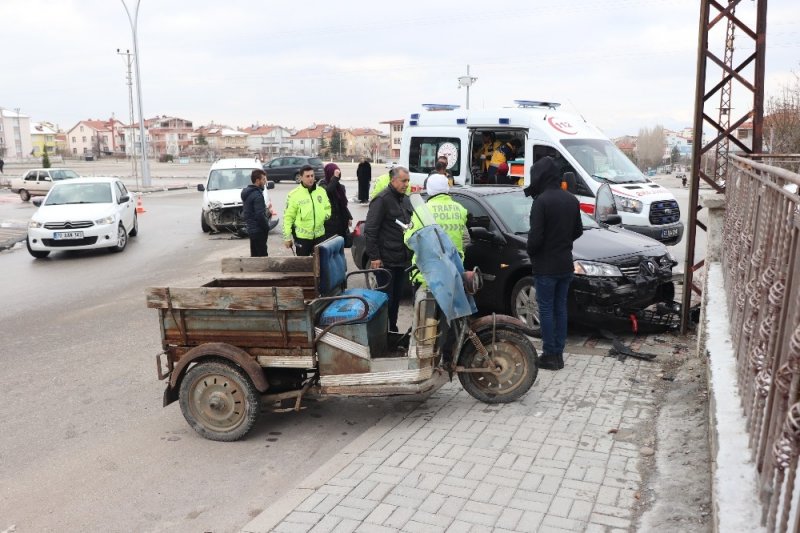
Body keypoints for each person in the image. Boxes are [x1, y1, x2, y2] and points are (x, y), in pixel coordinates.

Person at [526, 156, 583, 370]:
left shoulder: (541, 201)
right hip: (565, 263)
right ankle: (558, 353)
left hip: (545, 266)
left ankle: (549, 355)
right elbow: (578, 230)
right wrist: (563, 242)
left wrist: (532, 251)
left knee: (547, 310)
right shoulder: (571, 200)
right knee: (561, 309)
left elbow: (535, 238)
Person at [365, 166, 413, 332]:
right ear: (393, 180)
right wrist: (375, 257)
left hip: (401, 259)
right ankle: (382, 332)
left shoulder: (405, 200)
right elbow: (370, 230)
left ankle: (392, 328)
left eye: (408, 180)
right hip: (386, 261)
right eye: (403, 181)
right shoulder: (382, 199)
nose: (406, 184)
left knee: (397, 299)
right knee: (386, 299)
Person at [407, 173, 468, 286]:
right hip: (453, 270)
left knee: (424, 302)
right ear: (447, 188)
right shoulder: (460, 209)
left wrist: (406, 232)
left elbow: (409, 241)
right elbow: (465, 239)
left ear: (429, 189)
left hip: (427, 274)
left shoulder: (422, 210)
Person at [283, 164, 331, 256]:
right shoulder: (294, 195)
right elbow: (288, 218)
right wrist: (287, 237)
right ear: (301, 177)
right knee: (303, 267)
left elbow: (327, 207)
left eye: (312, 176)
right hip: (302, 238)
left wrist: (324, 216)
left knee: (320, 266)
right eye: (307, 176)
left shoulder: (321, 191)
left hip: (320, 236)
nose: (311, 178)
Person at [320, 163, 353, 243]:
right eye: (334, 174)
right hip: (329, 224)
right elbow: (329, 191)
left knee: (340, 247)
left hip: (340, 222)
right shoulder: (322, 185)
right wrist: (334, 178)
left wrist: (349, 217)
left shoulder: (340, 187)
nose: (337, 176)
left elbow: (342, 205)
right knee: (330, 247)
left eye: (338, 174)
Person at [241, 169, 271, 257]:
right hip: (259, 231)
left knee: (254, 257)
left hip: (252, 229)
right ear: (258, 181)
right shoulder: (257, 195)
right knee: (262, 257)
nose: (265, 182)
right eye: (264, 179)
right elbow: (260, 215)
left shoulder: (248, 193)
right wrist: (267, 227)